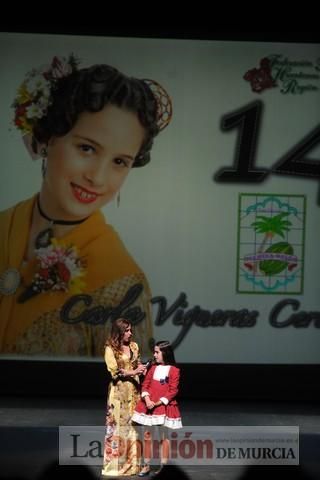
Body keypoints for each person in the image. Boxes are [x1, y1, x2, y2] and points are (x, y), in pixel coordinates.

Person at [0, 54, 172, 357]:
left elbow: (126, 392)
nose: (97, 177)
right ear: (46, 138)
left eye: (120, 162)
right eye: (87, 148)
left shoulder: (121, 284)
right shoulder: (5, 225)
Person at [102, 317, 146, 477]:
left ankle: (133, 465)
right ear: (119, 332)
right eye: (126, 330)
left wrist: (142, 369)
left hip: (134, 392)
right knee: (118, 429)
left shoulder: (134, 346)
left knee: (134, 429)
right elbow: (114, 372)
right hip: (119, 394)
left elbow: (137, 364)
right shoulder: (110, 348)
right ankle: (115, 465)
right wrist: (133, 372)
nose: (130, 333)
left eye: (131, 330)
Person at [132, 340, 183, 476]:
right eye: (154, 352)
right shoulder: (153, 368)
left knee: (163, 438)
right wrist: (148, 399)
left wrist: (158, 403)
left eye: (157, 352)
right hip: (149, 406)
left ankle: (163, 466)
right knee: (147, 436)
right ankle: (146, 465)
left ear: (165, 353)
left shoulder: (174, 370)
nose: (154, 355)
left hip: (162, 407)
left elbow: (173, 390)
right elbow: (145, 385)